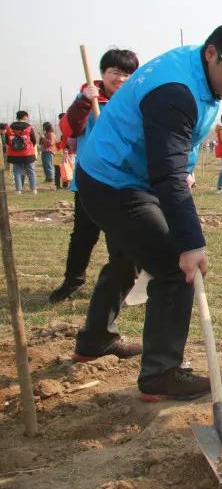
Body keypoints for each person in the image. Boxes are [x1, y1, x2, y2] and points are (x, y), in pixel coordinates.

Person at [72, 21, 222, 401]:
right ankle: (161, 374)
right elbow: (167, 174)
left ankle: (94, 340)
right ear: (212, 53)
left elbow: (176, 155)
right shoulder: (175, 91)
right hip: (116, 181)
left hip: (120, 174)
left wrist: (187, 168)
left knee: (128, 258)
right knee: (176, 269)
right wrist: (191, 243)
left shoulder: (196, 69)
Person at [50, 49, 140, 303]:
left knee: (121, 238)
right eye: (115, 73)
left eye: (127, 74)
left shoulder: (135, 100)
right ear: (103, 73)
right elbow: (70, 129)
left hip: (124, 181)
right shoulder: (88, 99)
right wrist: (82, 101)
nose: (120, 79)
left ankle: (125, 285)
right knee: (83, 235)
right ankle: (73, 281)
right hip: (89, 180)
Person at [6, 112, 39, 194]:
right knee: (31, 171)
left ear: (17, 117)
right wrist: (29, 147)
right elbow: (34, 140)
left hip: (14, 154)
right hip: (28, 153)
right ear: (25, 117)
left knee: (16, 172)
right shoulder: (29, 127)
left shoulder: (10, 127)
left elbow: (7, 141)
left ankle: (18, 190)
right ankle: (33, 189)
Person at [39, 121, 57, 186]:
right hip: (44, 151)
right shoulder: (46, 134)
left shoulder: (51, 134)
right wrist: (41, 137)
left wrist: (43, 137)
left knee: (49, 165)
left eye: (44, 126)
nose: (43, 127)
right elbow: (41, 143)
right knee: (45, 165)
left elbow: (50, 143)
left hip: (49, 151)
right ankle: (47, 178)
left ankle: (50, 178)